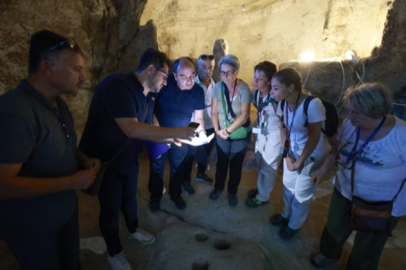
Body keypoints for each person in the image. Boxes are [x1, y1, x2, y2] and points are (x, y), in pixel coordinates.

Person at [79, 49, 195, 270]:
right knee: (111, 209)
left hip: (129, 158)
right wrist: (178, 131)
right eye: (164, 76)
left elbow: (148, 128)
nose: (166, 82)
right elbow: (131, 128)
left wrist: (171, 138)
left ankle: (133, 229)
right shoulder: (117, 85)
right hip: (106, 161)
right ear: (151, 70)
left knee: (130, 198)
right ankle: (114, 253)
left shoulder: (147, 95)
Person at [0, 30, 100, 270]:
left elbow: (60, 142)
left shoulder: (57, 103)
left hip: (63, 213)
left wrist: (83, 159)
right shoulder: (15, 112)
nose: (83, 77)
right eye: (76, 69)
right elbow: (3, 185)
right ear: (47, 67)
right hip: (32, 226)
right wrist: (71, 182)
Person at [310, 83, 406, 269]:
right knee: (335, 227)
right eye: (349, 111)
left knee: (370, 242)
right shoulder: (350, 125)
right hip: (345, 190)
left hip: (382, 202)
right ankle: (329, 254)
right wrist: (321, 172)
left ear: (375, 112)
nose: (348, 117)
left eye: (355, 113)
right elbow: (337, 148)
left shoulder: (401, 135)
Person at [269, 68, 330, 240]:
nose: (272, 91)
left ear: (290, 87)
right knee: (288, 186)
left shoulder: (312, 104)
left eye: (275, 88)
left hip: (312, 154)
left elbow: (314, 137)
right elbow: (283, 128)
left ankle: (294, 224)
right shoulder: (282, 102)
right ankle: (286, 214)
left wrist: (299, 161)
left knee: (302, 192)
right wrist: (287, 156)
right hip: (292, 150)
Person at [149, 57, 205, 211]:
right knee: (157, 167)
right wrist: (157, 132)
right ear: (174, 76)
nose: (189, 80)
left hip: (181, 137)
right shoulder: (164, 85)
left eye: (193, 75)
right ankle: (155, 196)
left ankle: (175, 193)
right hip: (159, 134)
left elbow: (199, 117)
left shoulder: (198, 91)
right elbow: (150, 106)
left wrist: (201, 133)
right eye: (184, 76)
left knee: (178, 167)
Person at [209, 54, 252, 206]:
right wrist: (217, 130)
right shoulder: (217, 87)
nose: (224, 76)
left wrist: (227, 131)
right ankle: (218, 187)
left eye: (228, 72)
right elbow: (214, 112)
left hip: (239, 135)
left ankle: (232, 191)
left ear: (236, 72)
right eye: (222, 72)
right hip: (221, 133)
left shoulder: (244, 89)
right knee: (221, 163)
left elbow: (245, 115)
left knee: (235, 164)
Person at [246, 61, 282, 207]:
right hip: (260, 131)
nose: (255, 80)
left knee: (269, 166)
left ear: (269, 80)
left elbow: (283, 119)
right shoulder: (257, 93)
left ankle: (263, 196)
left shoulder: (277, 98)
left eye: (260, 78)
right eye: (255, 77)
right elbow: (258, 106)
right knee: (260, 161)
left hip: (274, 134)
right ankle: (261, 187)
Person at [182, 54, 216, 194]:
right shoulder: (191, 84)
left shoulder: (216, 85)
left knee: (205, 151)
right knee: (190, 154)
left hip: (210, 124)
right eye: (203, 67)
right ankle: (185, 180)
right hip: (193, 124)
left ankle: (200, 173)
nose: (207, 70)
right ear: (197, 67)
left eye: (210, 67)